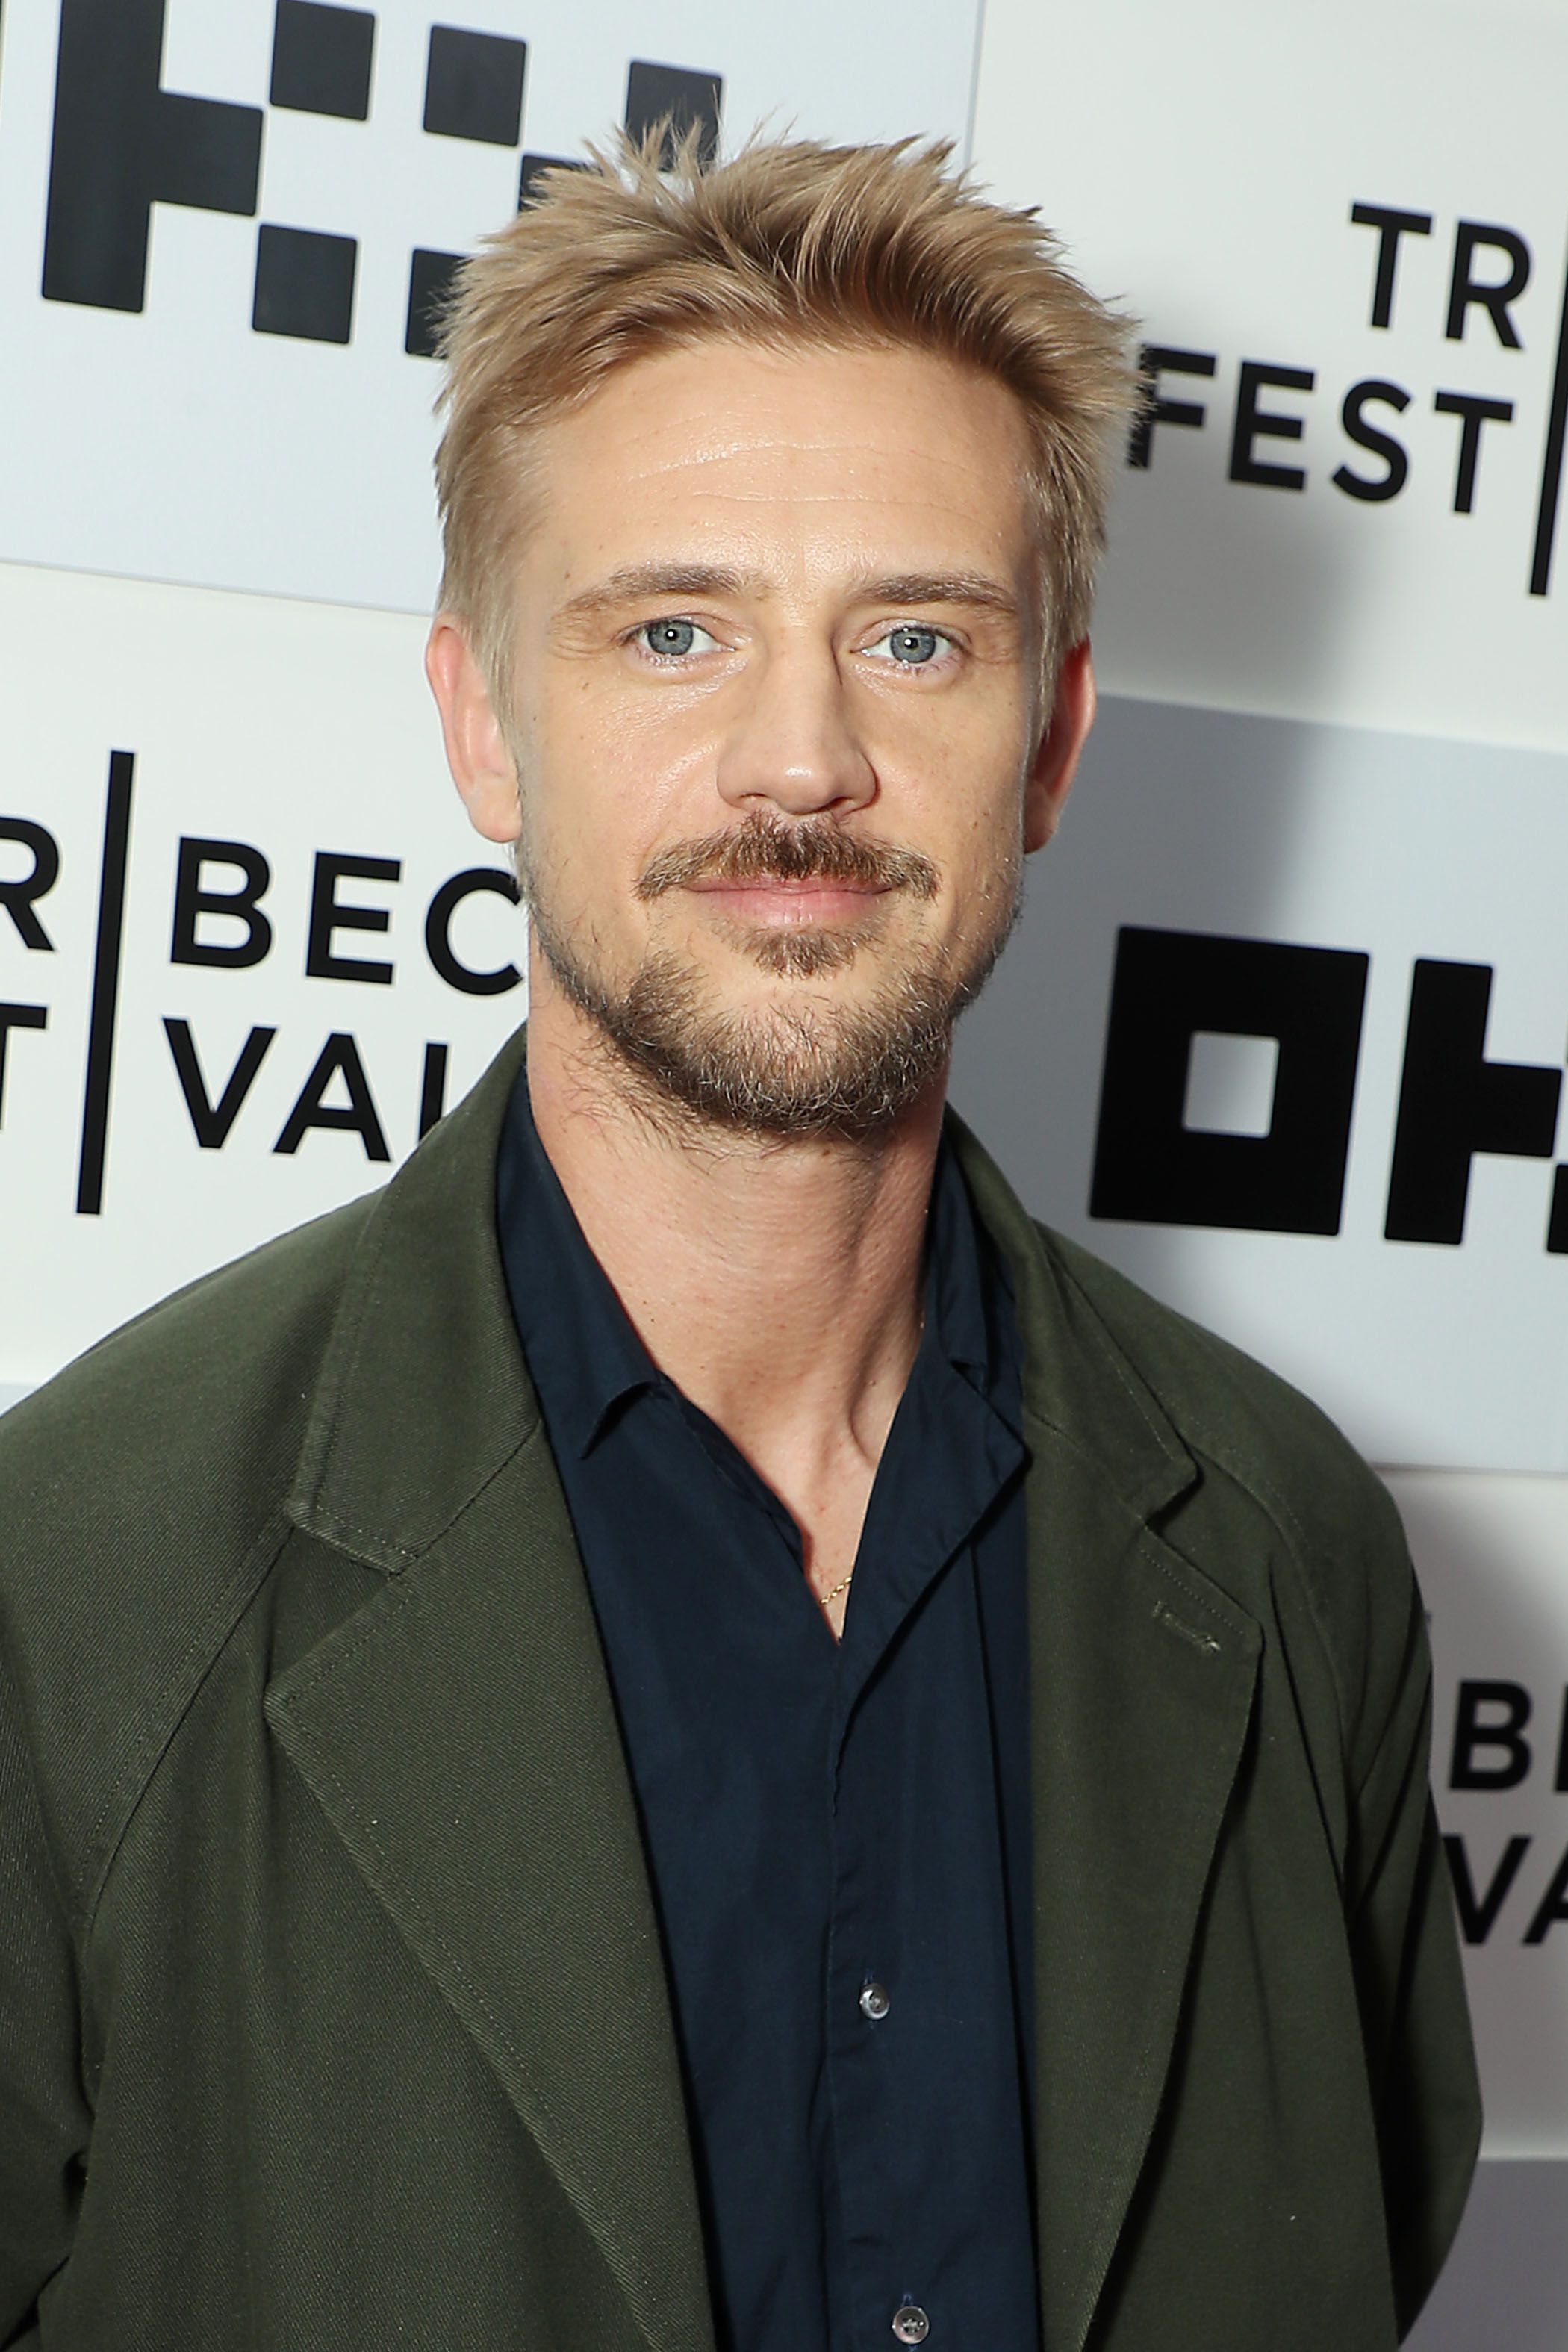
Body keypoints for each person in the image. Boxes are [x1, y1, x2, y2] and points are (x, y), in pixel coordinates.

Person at [0, 132, 1478, 2352]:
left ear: (1050, 737)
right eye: (672, 630)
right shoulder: (86, 1577)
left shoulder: (1282, 1551)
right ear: (486, 723)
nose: (801, 762)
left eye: (913, 636)